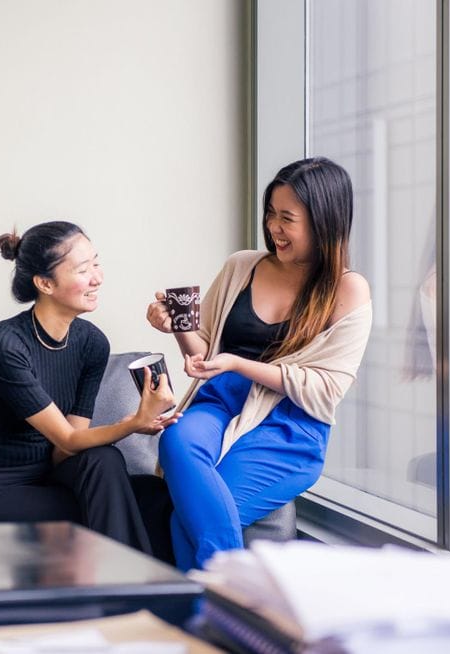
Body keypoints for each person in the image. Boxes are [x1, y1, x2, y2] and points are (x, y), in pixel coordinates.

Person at [146, 157, 373, 571]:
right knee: (175, 441)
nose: (274, 228)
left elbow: (327, 389)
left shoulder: (347, 289)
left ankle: (214, 615)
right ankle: (230, 607)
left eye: (287, 218)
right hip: (218, 402)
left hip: (289, 428)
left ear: (325, 221)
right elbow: (205, 357)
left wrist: (239, 364)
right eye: (271, 213)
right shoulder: (242, 266)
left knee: (189, 519)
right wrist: (175, 326)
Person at [0, 220, 178, 556]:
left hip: (54, 472)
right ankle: (130, 594)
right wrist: (134, 423)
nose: (97, 278)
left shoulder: (91, 343)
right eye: (84, 269)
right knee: (130, 507)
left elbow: (67, 450)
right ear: (45, 283)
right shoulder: (6, 346)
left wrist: (154, 417)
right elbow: (67, 439)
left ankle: (129, 588)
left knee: (115, 467)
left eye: (96, 263)